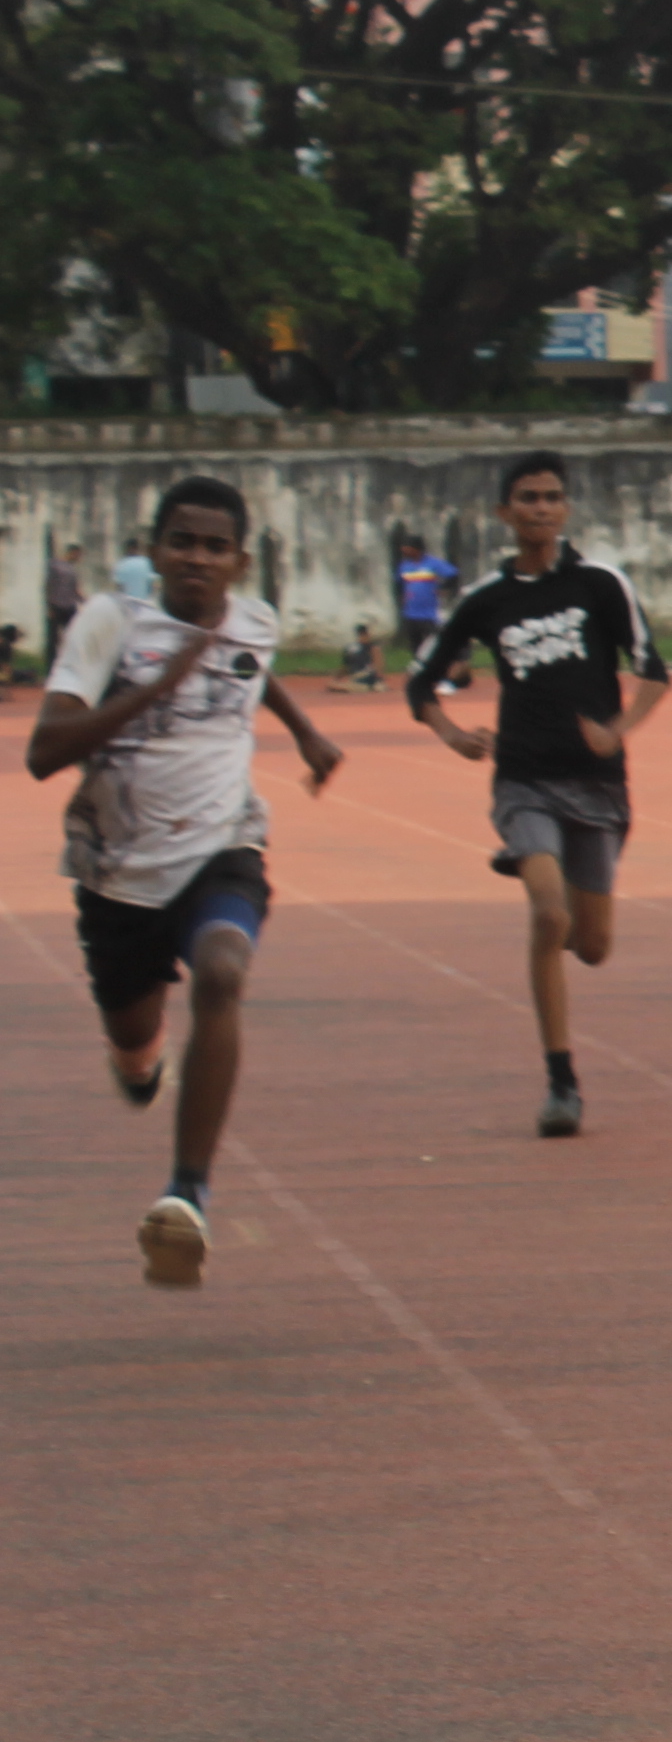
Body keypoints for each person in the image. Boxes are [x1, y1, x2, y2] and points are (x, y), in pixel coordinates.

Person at [27, 476, 344, 1288]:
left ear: (239, 560)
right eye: (181, 543)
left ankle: (187, 1192)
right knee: (136, 1050)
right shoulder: (111, 625)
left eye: (214, 547)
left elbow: (248, 664)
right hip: (117, 875)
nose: (196, 560)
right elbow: (43, 751)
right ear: (154, 549)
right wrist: (157, 689)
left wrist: (306, 731)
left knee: (223, 973)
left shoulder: (256, 621)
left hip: (221, 851)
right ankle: (138, 1065)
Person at [412, 452, 670, 1136]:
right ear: (505, 513)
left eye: (553, 497)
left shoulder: (600, 585)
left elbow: (654, 672)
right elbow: (420, 683)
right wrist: (449, 732)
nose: (541, 508)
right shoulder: (486, 601)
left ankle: (539, 867)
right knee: (549, 918)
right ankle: (562, 1082)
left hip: (598, 786)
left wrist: (619, 730)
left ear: (566, 509)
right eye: (527, 498)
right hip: (523, 779)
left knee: (592, 945)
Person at [394, 531, 461, 698]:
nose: (405, 551)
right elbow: (399, 583)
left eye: (408, 548)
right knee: (417, 649)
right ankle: (423, 680)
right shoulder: (405, 566)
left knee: (436, 648)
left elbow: (453, 575)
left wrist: (443, 589)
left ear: (417, 549)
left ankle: (445, 680)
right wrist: (402, 596)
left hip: (429, 614)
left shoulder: (432, 563)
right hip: (411, 614)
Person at [46, 540, 85, 660]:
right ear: (72, 553)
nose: (78, 558)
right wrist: (49, 606)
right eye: (78, 555)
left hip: (69, 606)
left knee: (73, 635)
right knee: (53, 639)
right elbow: (48, 585)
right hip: (56, 605)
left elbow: (75, 590)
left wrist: (87, 602)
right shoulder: (55, 565)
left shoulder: (72, 570)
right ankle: (51, 667)